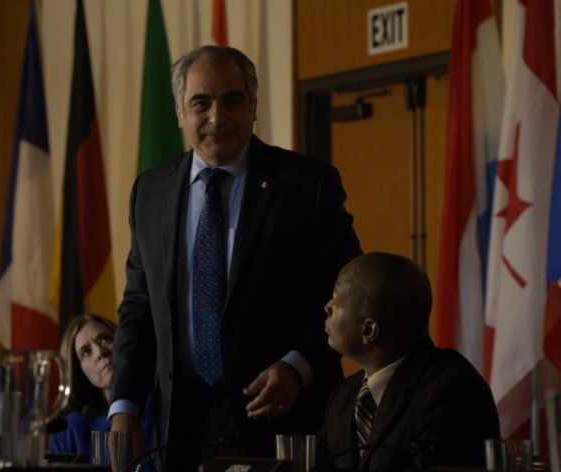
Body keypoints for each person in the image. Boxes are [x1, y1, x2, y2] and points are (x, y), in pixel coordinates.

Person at [109, 45, 362, 469]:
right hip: (180, 427)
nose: (216, 117)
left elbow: (346, 297)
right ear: (179, 113)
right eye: (200, 103)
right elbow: (138, 307)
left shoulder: (306, 184)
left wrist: (297, 367)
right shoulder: (149, 192)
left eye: (232, 100)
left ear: (253, 106)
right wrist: (124, 407)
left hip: (281, 419)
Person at [318, 252, 500, 471]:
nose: (327, 307)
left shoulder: (453, 390)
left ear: (369, 329)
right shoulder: (345, 396)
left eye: (337, 301)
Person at [49, 314, 155, 460]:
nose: (100, 352)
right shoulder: (69, 433)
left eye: (105, 338)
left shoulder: (164, 408)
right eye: (86, 352)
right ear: (79, 372)